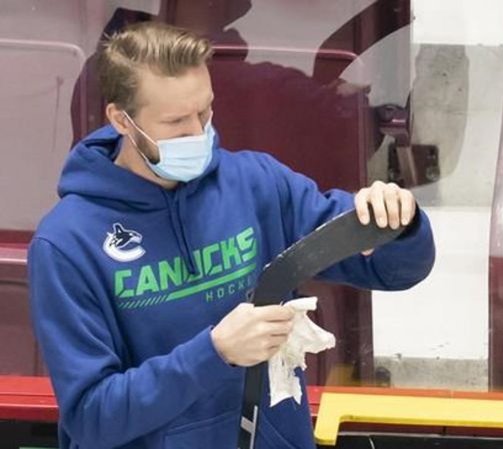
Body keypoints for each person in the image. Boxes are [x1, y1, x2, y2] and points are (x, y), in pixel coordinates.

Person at [28, 22, 435, 449]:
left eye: (205, 112)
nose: (197, 133)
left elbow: (393, 270)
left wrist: (398, 222)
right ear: (121, 120)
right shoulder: (68, 244)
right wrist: (214, 353)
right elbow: (92, 417)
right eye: (176, 122)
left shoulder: (257, 185)